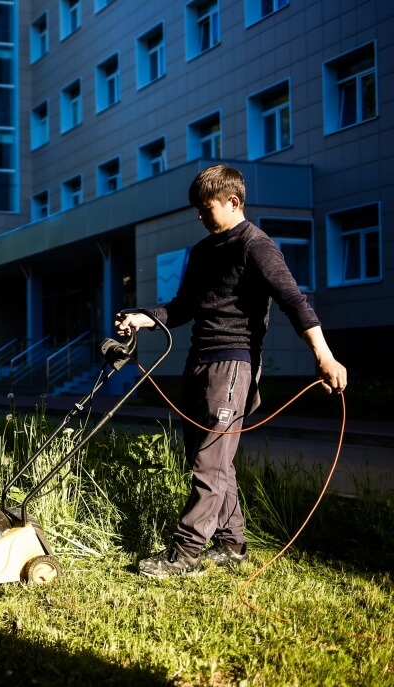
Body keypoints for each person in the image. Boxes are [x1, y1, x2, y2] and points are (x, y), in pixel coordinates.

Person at [115, 164, 347, 578]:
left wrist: (324, 356)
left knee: (210, 462)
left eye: (206, 208)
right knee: (210, 459)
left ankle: (186, 554)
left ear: (233, 201)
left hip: (233, 363)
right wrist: (143, 318)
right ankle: (231, 543)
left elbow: (294, 300)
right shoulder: (203, 251)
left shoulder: (256, 245)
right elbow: (182, 308)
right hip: (198, 361)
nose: (200, 216)